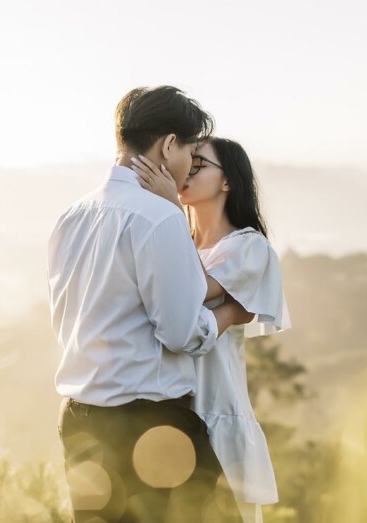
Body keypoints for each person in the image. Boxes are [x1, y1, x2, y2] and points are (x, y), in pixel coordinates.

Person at [47, 86, 254, 522]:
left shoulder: (70, 216)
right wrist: (230, 314)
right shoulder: (160, 217)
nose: (188, 167)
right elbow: (181, 334)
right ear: (168, 145)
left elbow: (64, 320)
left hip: (80, 425)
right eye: (190, 153)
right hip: (152, 427)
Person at [130, 138, 291, 523]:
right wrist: (231, 313)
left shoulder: (248, 246)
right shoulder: (175, 243)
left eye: (199, 163)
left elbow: (195, 287)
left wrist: (170, 208)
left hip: (216, 411)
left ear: (227, 182)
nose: (186, 171)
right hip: (166, 412)